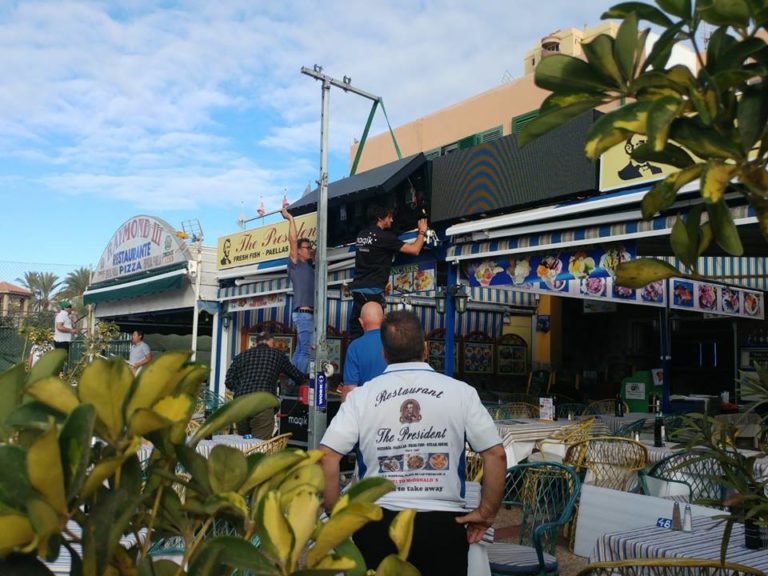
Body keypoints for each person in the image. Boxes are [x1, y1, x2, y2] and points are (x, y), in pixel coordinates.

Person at [319, 310, 506, 576]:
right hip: (443, 523)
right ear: (426, 349)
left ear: (385, 354)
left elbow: (327, 456)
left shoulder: (361, 397)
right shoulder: (461, 392)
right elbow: (496, 454)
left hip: (377, 521)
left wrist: (336, 510)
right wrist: (487, 512)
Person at [349, 205, 429, 340]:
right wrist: (421, 232)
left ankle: (356, 356)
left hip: (358, 290)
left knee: (357, 332)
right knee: (375, 333)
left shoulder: (361, 235)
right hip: (373, 292)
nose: (392, 220)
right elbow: (415, 250)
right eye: (389, 217)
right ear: (380, 218)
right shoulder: (385, 238)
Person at [225, 331, 307, 439]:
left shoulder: (241, 356)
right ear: (270, 342)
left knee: (244, 444)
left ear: (257, 342)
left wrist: (242, 388)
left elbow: (229, 381)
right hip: (262, 403)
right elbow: (297, 376)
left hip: (241, 404)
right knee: (260, 446)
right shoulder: (277, 355)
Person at [282, 207, 315, 375]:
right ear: (299, 251)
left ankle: (290, 379)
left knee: (301, 350)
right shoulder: (296, 264)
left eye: (310, 247)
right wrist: (291, 219)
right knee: (306, 351)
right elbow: (293, 241)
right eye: (307, 247)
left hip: (304, 313)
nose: (309, 249)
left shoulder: (309, 266)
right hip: (303, 313)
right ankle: (296, 380)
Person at [339, 301, 387, 400]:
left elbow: (350, 388)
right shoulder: (395, 342)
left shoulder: (355, 347)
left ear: (361, 322)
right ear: (383, 320)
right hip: (394, 407)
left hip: (366, 408)